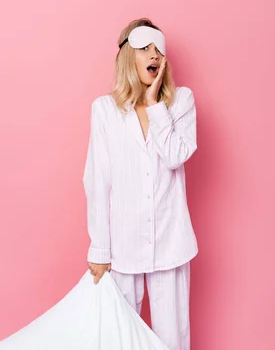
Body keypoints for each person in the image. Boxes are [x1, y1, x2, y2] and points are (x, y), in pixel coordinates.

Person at [84, 18, 198, 350]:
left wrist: (154, 106)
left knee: (173, 340)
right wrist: (100, 249)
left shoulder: (181, 102)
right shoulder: (105, 110)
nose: (155, 55)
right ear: (127, 56)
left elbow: (177, 156)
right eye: (146, 48)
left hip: (171, 242)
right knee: (119, 339)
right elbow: (97, 180)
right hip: (122, 246)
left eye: (159, 50)